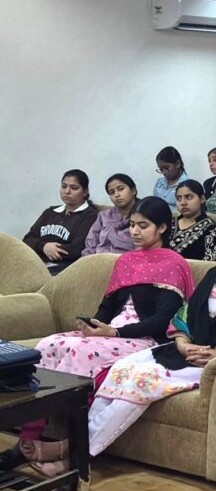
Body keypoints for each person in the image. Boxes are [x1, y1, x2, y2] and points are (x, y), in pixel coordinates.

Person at [9, 197, 195, 475]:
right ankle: (29, 437)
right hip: (111, 334)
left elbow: (161, 320)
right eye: (132, 225)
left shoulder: (173, 263)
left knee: (79, 351)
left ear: (162, 228)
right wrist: (94, 325)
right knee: (48, 344)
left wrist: (114, 332)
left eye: (143, 226)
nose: (135, 231)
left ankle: (71, 441)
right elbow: (108, 306)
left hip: (144, 339)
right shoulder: (126, 261)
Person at [88, 216, 216, 460]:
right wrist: (182, 343)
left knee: (141, 380)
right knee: (122, 368)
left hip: (214, 362)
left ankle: (80, 452)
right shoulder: (215, 273)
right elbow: (185, 314)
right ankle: (78, 439)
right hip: (186, 350)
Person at [24, 169, 98, 273]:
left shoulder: (90, 216)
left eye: (74, 188)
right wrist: (44, 246)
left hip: (65, 269)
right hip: (36, 263)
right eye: (64, 186)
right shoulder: (50, 212)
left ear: (85, 191)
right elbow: (27, 239)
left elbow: (77, 249)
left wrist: (46, 249)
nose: (67, 191)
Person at [83, 174, 137, 256]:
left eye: (121, 189)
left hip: (125, 260)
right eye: (111, 192)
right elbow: (90, 243)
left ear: (133, 191)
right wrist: (86, 260)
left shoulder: (143, 215)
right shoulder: (104, 216)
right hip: (97, 259)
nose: (116, 195)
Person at [170, 180, 216, 262]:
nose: (183, 203)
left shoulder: (210, 229)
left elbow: (212, 263)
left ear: (202, 199)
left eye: (189, 197)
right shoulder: (169, 223)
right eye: (179, 198)